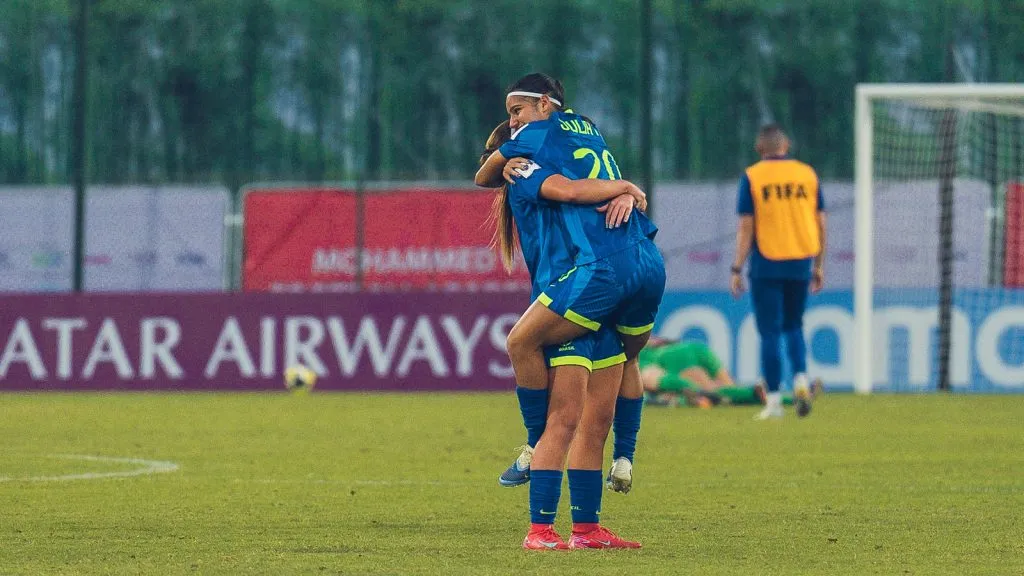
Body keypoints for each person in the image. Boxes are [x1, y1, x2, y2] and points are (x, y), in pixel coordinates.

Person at [480, 74, 648, 497]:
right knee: (600, 402)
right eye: (513, 122)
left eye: (518, 114)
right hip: (595, 279)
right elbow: (571, 188)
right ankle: (619, 463)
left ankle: (535, 453)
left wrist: (624, 192)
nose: (519, 126)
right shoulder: (531, 170)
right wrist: (626, 189)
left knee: (564, 415)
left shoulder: (536, 158)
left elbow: (573, 186)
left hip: (572, 287)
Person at [730, 124, 827, 420]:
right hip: (801, 259)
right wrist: (819, 264)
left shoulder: (753, 176)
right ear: (786, 146)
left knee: (769, 331)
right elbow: (821, 222)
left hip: (767, 261)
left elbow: (746, 227)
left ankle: (773, 400)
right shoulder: (806, 174)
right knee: (794, 325)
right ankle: (800, 379)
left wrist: (737, 267)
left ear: (760, 149)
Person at [638, 337, 816, 408]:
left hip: (675, 357)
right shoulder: (638, 342)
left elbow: (654, 379)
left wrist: (693, 390)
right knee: (731, 390)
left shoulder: (633, 361)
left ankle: (764, 394)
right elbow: (657, 340)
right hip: (693, 347)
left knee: (715, 392)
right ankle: (792, 396)